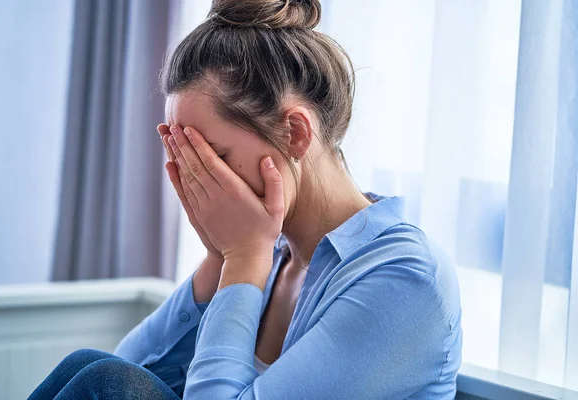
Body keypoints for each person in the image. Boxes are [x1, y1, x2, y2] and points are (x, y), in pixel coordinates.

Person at [28, 0, 462, 398]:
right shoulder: (267, 250)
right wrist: (219, 259)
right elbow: (124, 367)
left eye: (212, 157)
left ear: (295, 133)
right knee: (89, 366)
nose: (197, 179)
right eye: (185, 158)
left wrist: (241, 257)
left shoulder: (405, 276)